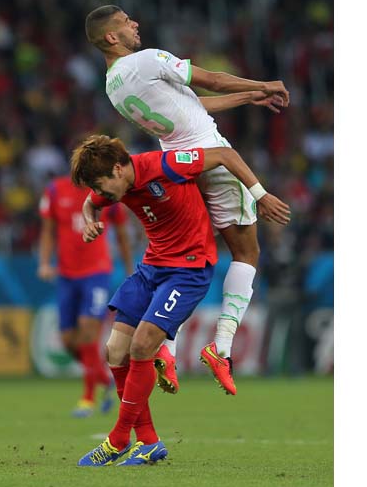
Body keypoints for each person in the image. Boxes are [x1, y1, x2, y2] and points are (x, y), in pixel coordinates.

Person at [85, 4, 290, 395]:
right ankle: (222, 348)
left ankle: (167, 348)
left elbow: (190, 107)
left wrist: (250, 96)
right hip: (210, 157)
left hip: (175, 166)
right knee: (246, 254)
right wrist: (265, 84)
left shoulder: (113, 86)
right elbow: (210, 80)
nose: (135, 23)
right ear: (112, 37)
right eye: (127, 22)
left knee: (186, 254)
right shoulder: (147, 60)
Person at [72, 134, 290, 466]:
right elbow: (90, 203)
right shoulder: (115, 185)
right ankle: (148, 442)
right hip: (151, 269)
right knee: (114, 351)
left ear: (118, 169)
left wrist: (259, 195)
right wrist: (91, 221)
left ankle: (117, 440)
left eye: (103, 187)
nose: (101, 195)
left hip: (188, 271)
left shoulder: (165, 165)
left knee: (142, 346)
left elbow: (225, 155)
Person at [38, 174, 134, 417]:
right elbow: (48, 231)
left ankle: (88, 398)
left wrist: (131, 270)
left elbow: (122, 234)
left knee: (88, 331)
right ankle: (104, 377)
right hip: (66, 275)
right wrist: (44, 262)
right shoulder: (55, 191)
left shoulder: (106, 191)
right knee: (69, 340)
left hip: (97, 273)